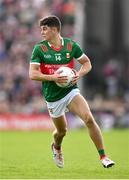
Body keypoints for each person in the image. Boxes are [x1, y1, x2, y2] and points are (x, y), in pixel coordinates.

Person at [29, 15, 115, 168]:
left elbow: (86, 63)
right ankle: (56, 146)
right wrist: (53, 77)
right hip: (53, 97)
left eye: (44, 29)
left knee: (88, 118)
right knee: (61, 132)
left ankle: (103, 156)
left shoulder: (71, 46)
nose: (42, 32)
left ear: (55, 29)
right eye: (41, 29)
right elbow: (33, 74)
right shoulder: (40, 49)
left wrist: (78, 74)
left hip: (70, 92)